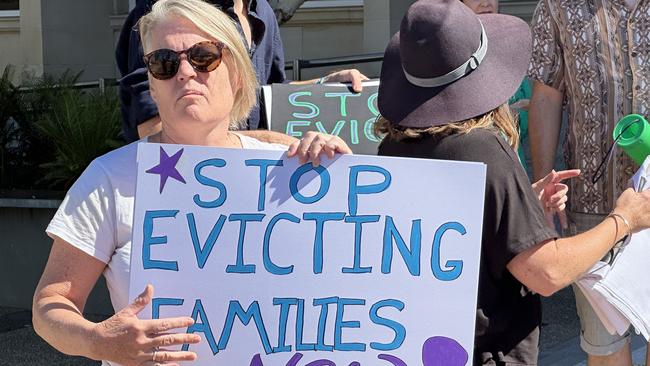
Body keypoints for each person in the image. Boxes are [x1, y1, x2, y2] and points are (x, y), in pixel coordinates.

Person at [32, 1, 350, 365]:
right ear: (151, 85)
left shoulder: (290, 168)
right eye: (164, 63)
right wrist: (96, 340)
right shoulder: (111, 178)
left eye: (203, 56)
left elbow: (344, 291)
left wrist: (337, 175)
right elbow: (49, 306)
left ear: (237, 73)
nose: (184, 72)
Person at [374, 0, 650, 364]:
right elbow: (547, 272)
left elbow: (470, 227)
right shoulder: (484, 150)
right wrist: (624, 219)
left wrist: (525, 205)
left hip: (428, 341)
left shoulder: (392, 149)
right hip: (488, 350)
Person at [527, 0, 650, 364]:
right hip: (592, 208)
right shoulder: (557, 5)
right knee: (604, 345)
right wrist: (544, 186)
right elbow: (547, 94)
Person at [116, 0, 369, 142]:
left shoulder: (263, 12)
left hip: (249, 194)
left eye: (203, 56)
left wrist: (324, 83)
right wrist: (270, 144)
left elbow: (266, 91)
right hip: (176, 193)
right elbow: (152, 129)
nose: (187, 70)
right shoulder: (166, 13)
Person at [460, 0, 533, 176]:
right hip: (467, 168)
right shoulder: (449, 50)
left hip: (509, 170)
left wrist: (514, 115)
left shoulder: (512, 46)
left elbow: (530, 108)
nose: (486, 3)